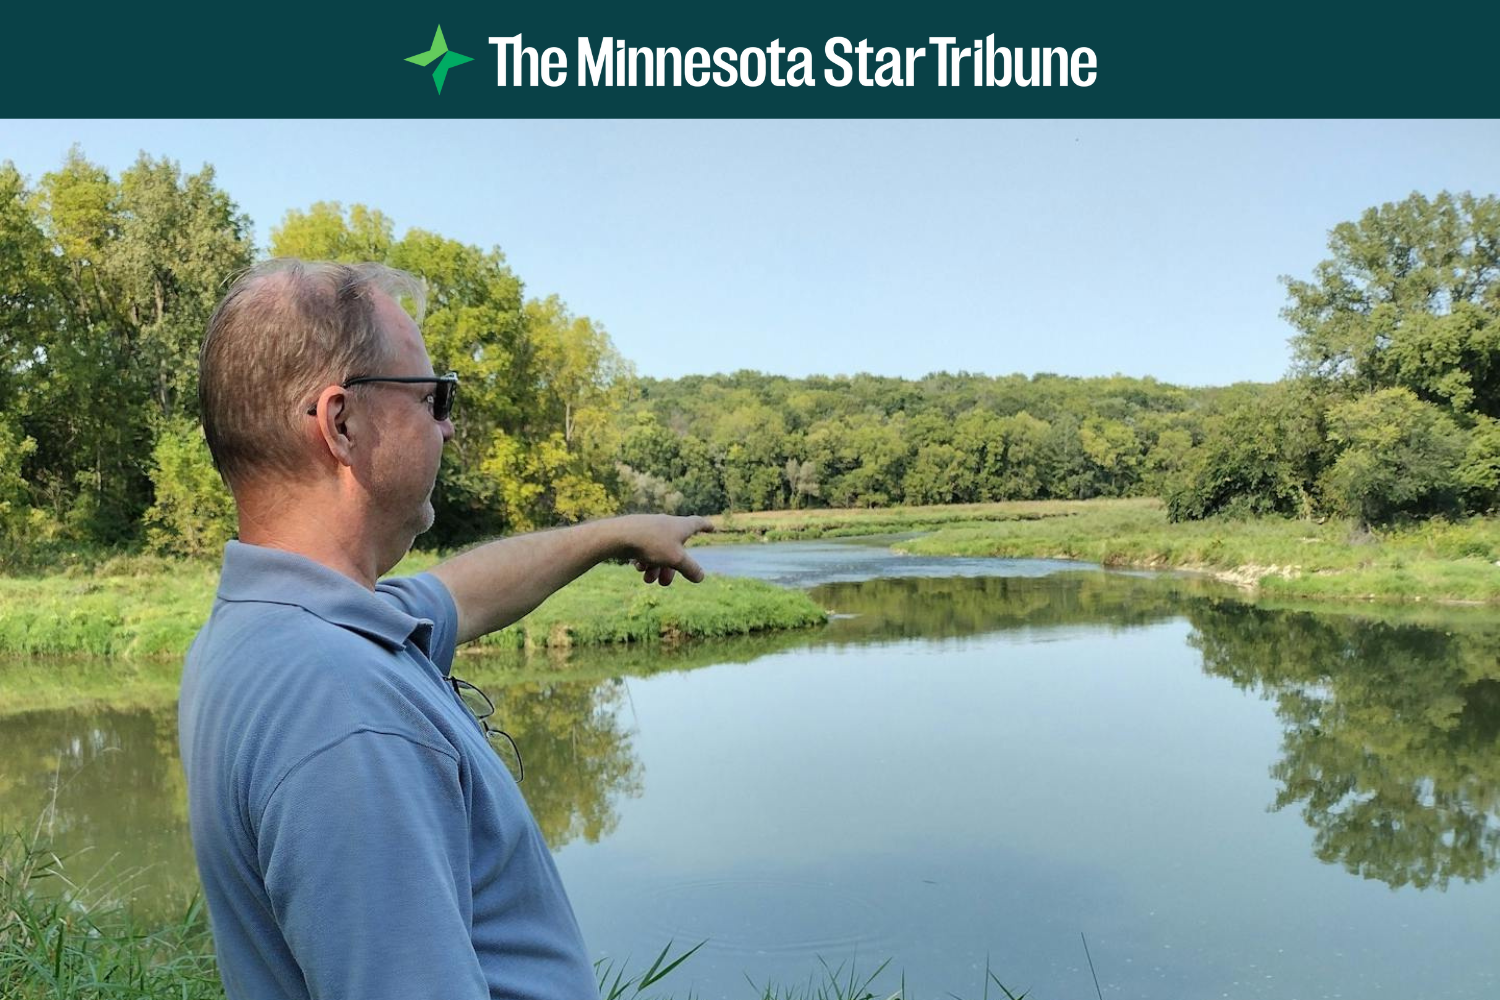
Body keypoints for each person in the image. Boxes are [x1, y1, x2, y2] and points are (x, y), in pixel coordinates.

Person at [179, 259, 712, 1000]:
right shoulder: (343, 709)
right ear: (341, 422)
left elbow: (466, 592)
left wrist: (614, 534)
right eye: (433, 398)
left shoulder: (273, 628)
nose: (448, 423)